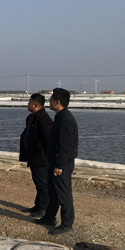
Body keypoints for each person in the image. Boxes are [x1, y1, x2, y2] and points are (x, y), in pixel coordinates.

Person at [35, 88, 78, 234]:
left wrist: (59, 165)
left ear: (57, 102)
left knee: (64, 194)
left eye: (51, 99)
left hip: (62, 163)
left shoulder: (66, 119)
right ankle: (49, 217)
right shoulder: (60, 117)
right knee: (52, 191)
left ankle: (67, 224)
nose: (49, 101)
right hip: (55, 160)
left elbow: (65, 145)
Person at [19, 93, 53, 217]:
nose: (27, 104)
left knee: (43, 184)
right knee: (38, 183)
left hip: (41, 158)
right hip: (33, 156)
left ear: (34, 105)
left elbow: (48, 140)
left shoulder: (44, 120)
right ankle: (38, 205)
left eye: (29, 102)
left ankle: (44, 208)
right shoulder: (32, 118)